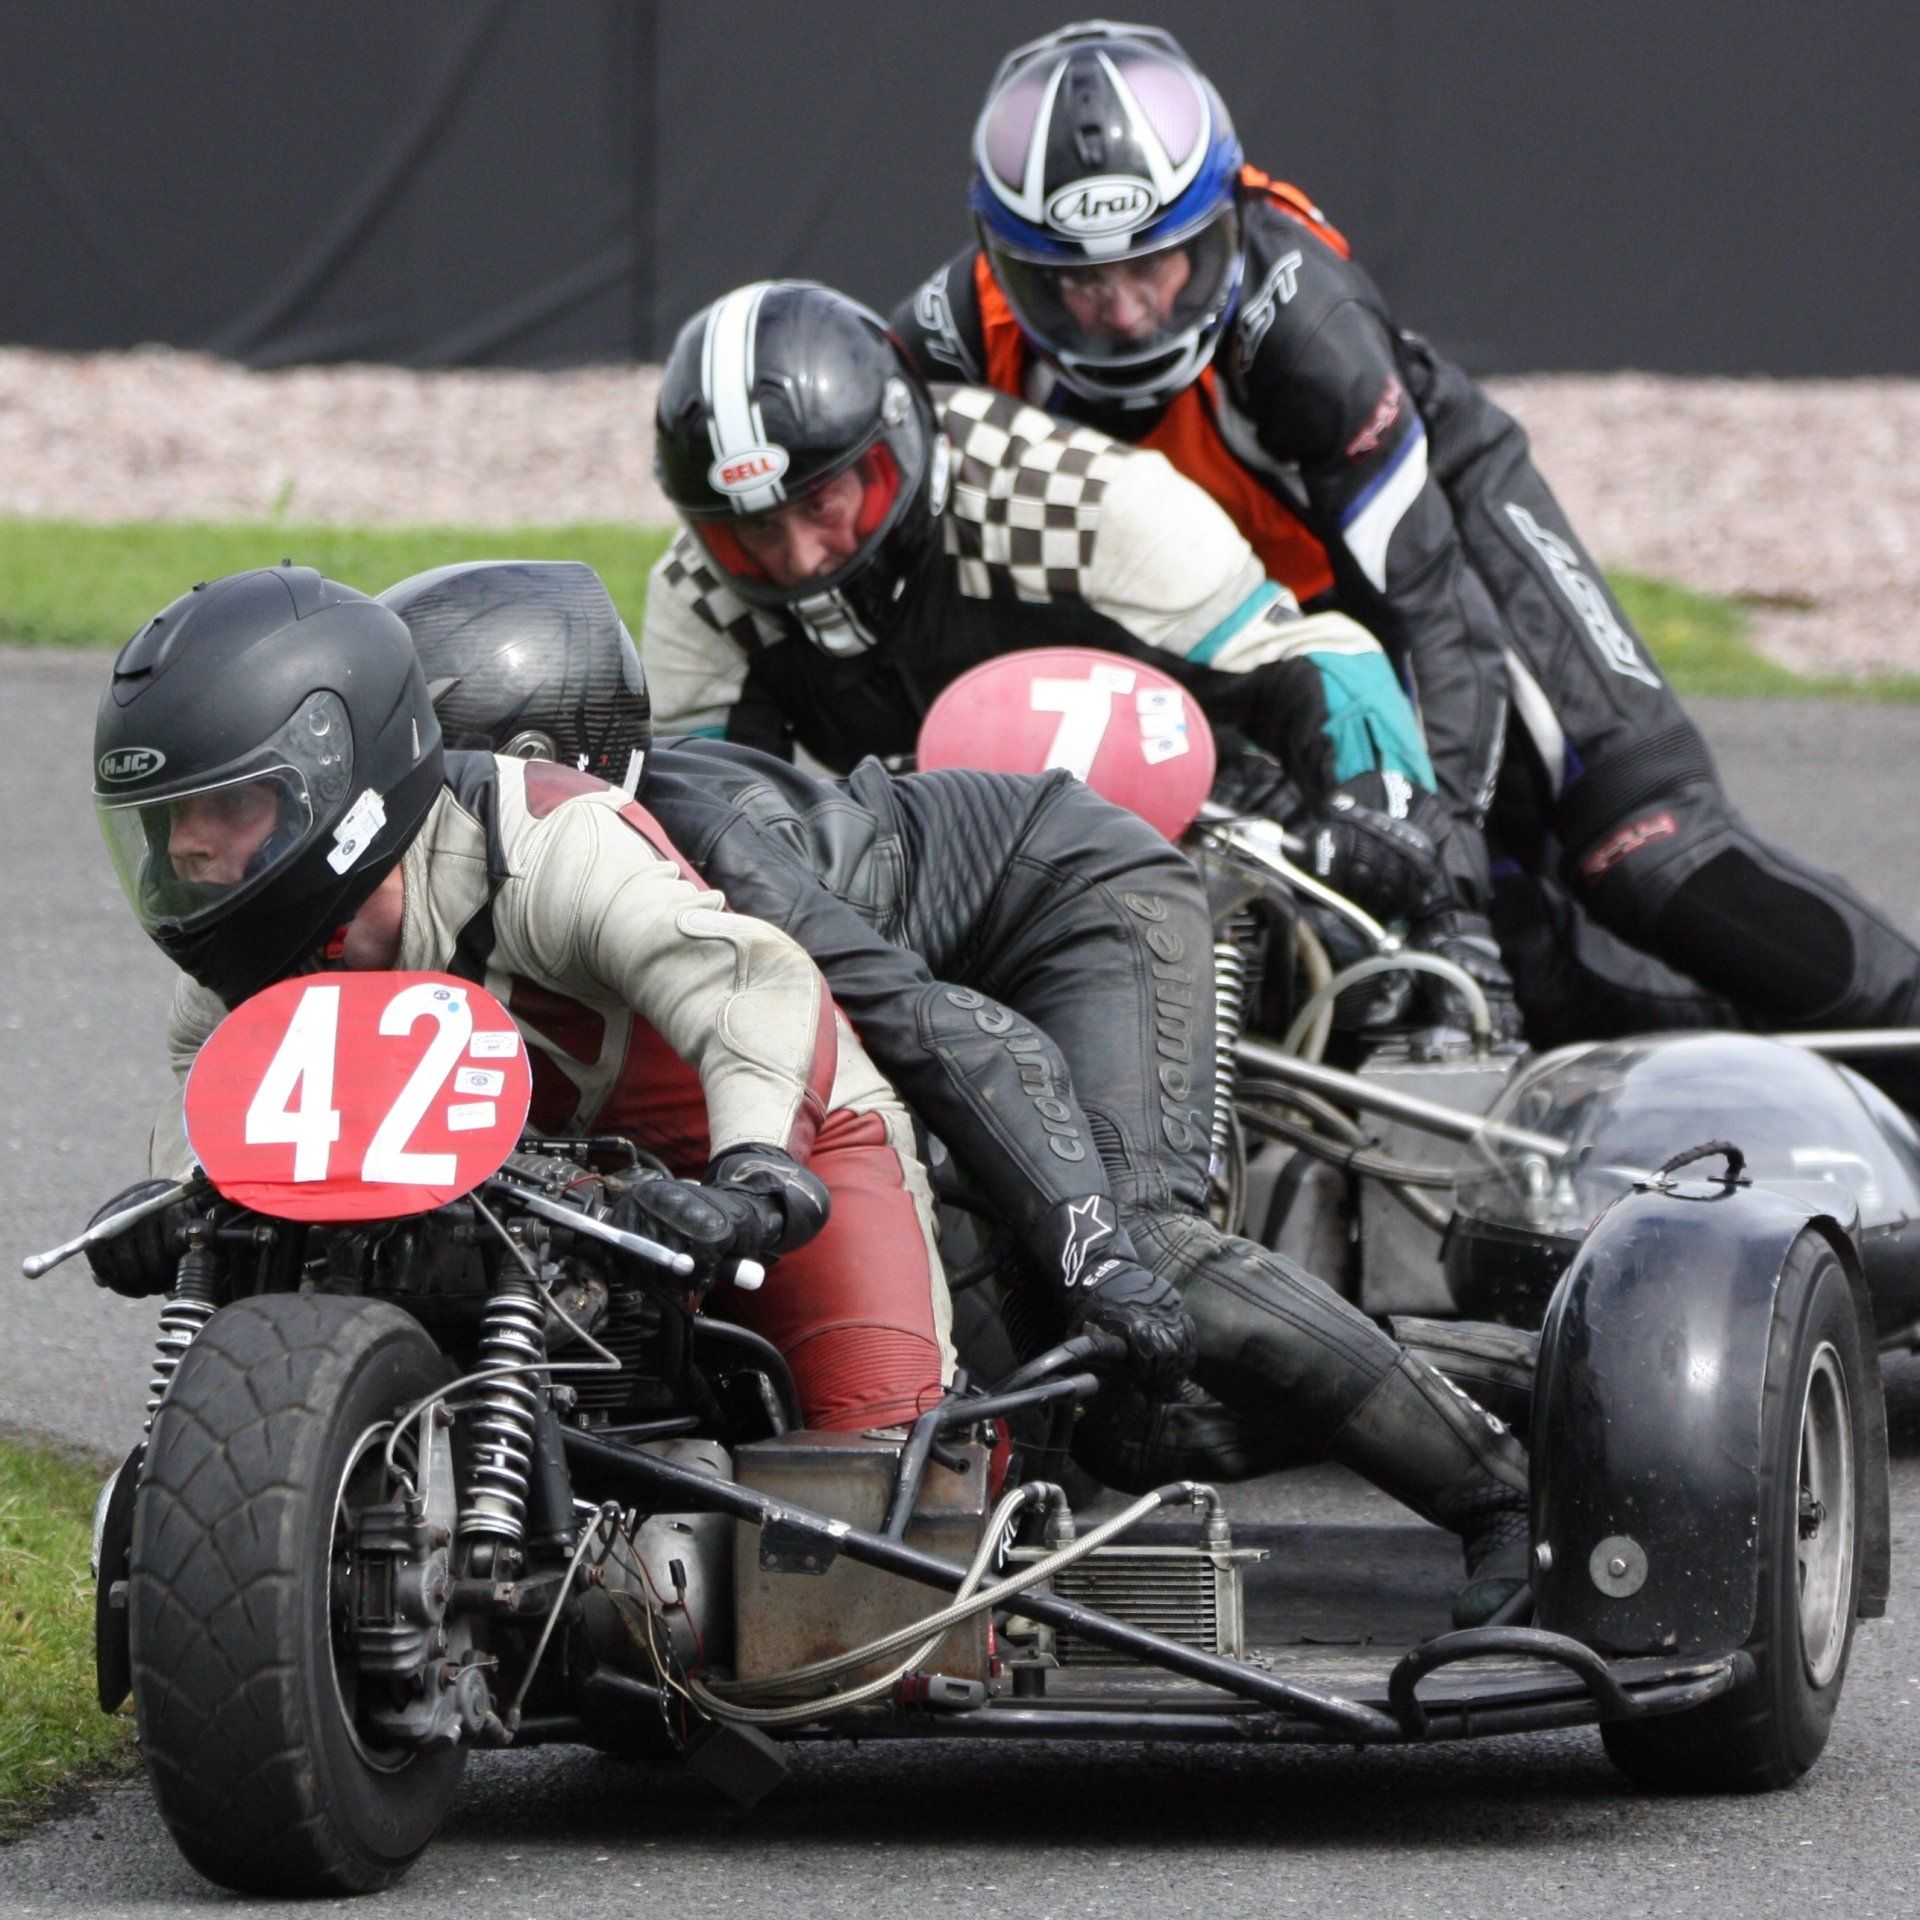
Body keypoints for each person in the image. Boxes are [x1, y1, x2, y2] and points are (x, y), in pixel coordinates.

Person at [407, 556, 1532, 1625]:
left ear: (534, 760)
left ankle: (1499, 1496)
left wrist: (1094, 1253)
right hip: (931, 996)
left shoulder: (712, 853)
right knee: (1119, 1433)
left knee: (1144, 1251)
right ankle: (1509, 1382)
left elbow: (957, 1034)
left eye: (433, 773)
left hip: (1066, 904)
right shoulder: (472, 875)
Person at [891, 19, 1920, 1088]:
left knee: (1647, 858)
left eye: (1159, 265)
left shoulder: (1303, 327)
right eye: (1077, 286)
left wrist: (1436, 849)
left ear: (1222, 222)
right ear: (1006, 265)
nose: (1126, 314)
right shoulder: (949, 339)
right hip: (1264, 634)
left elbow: (1428, 606)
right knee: (1489, 960)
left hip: (1438, 545)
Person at [87, 564, 954, 1435]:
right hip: (489, 1200)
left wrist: (759, 1169)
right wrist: (174, 1198)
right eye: (168, 821)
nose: (189, 851)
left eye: (230, 803)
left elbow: (750, 982)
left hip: (760, 1141)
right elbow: (209, 1093)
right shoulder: (245, 959)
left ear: (332, 785)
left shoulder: (550, 842)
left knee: (875, 1462)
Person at [642, 276, 1520, 1042]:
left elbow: (1312, 661)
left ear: (897, 445)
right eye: (755, 529)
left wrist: (1400, 841)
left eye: (826, 499)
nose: (800, 558)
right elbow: (705, 834)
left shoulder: (1082, 502)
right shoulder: (695, 597)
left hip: (1199, 850)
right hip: (908, 906)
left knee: (1407, 962)